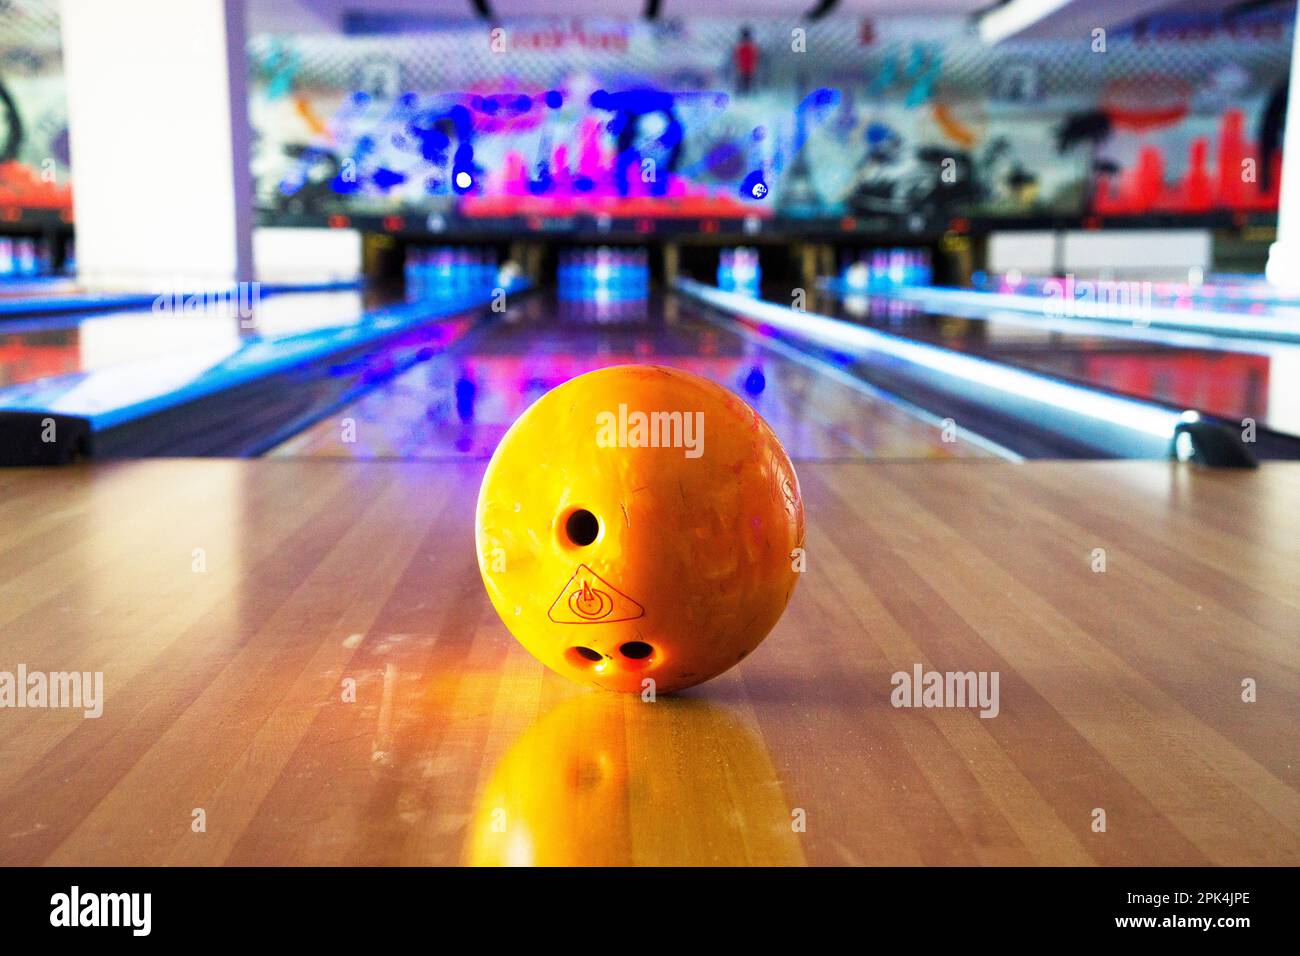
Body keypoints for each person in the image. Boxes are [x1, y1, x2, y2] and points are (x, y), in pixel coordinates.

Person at [734, 27, 758, 96]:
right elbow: (755, 57)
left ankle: (743, 94)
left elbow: (736, 57)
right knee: (747, 82)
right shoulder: (751, 46)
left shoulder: (741, 46)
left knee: (744, 82)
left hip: (744, 68)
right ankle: (746, 94)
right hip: (747, 68)